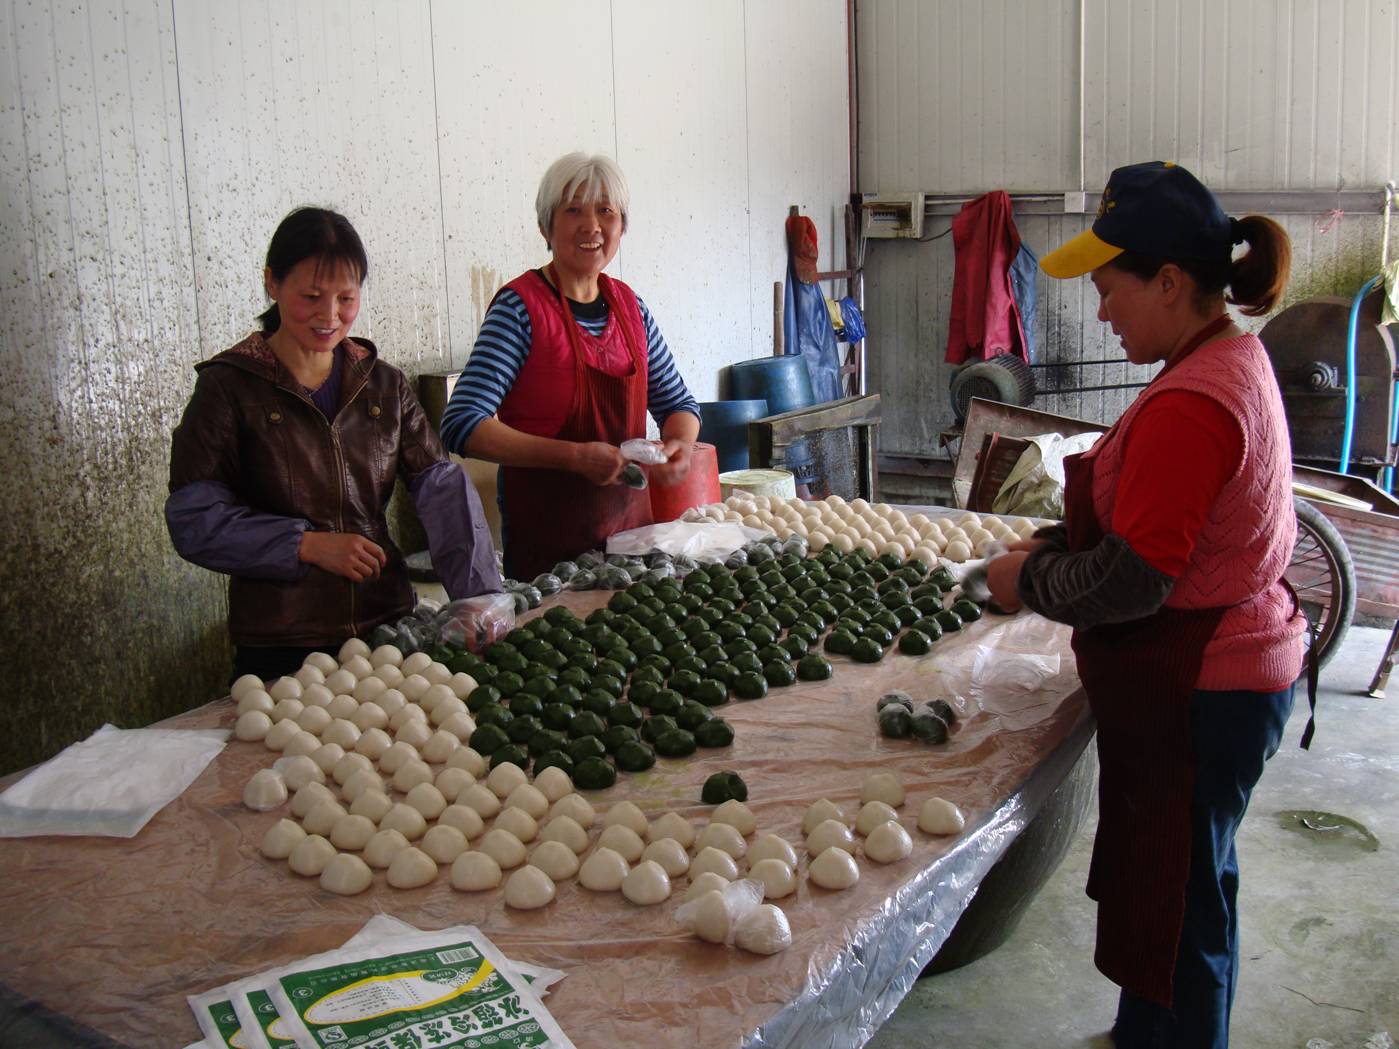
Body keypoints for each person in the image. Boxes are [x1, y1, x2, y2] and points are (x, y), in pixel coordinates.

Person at [985, 162, 1306, 1049]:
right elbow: (1165, 527)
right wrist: (1053, 545)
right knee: (1175, 880)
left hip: (1204, 686)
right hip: (1221, 669)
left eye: (1108, 289)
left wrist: (1028, 584)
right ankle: (1146, 1033)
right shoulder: (1218, 358)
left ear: (1168, 282)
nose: (1100, 312)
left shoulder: (1192, 403)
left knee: (1182, 903)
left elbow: (1135, 580)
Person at [166, 207, 504, 682]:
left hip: (387, 626)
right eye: (310, 296)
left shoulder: (382, 385)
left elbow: (439, 485)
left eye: (346, 297)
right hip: (283, 642)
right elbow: (194, 520)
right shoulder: (229, 389)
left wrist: (479, 598)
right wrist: (305, 545)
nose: (329, 316)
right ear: (271, 283)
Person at [438, 152, 702, 579]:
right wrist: (574, 457)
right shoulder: (520, 309)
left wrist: (679, 447)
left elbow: (679, 405)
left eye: (606, 212)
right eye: (573, 210)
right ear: (546, 225)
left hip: (631, 546)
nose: (592, 226)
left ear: (622, 226)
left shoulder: (632, 309)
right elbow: (462, 423)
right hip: (550, 557)